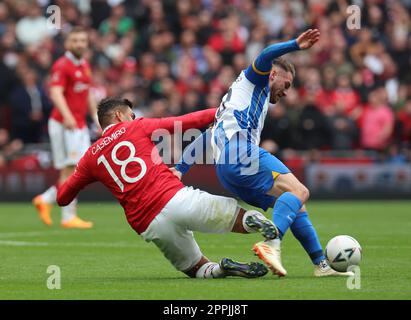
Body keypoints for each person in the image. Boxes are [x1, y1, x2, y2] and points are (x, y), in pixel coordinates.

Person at [174, 29, 353, 277]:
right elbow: (266, 53)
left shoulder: (237, 99)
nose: (287, 91)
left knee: (294, 204)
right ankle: (271, 243)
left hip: (226, 172)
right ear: (273, 74)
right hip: (241, 154)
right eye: (286, 84)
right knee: (301, 191)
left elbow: (206, 136)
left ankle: (321, 264)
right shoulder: (255, 79)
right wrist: (295, 45)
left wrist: (181, 167)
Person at [56, 97, 279, 279]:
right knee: (236, 217)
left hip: (149, 224)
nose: (134, 118)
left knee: (196, 268)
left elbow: (63, 198)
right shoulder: (136, 126)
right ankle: (253, 220)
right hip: (175, 198)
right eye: (131, 115)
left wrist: (90, 176)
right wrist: (224, 112)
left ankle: (222, 268)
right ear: (118, 116)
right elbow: (185, 121)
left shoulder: (90, 157)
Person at [32, 27, 99, 229]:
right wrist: (68, 116)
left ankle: (47, 199)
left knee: (76, 169)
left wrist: (97, 117)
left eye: (82, 40)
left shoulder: (85, 65)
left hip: (78, 124)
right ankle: (67, 215)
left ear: (87, 43)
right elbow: (55, 92)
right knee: (72, 169)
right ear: (68, 43)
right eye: (75, 40)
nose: (79, 44)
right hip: (64, 124)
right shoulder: (62, 65)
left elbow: (87, 94)